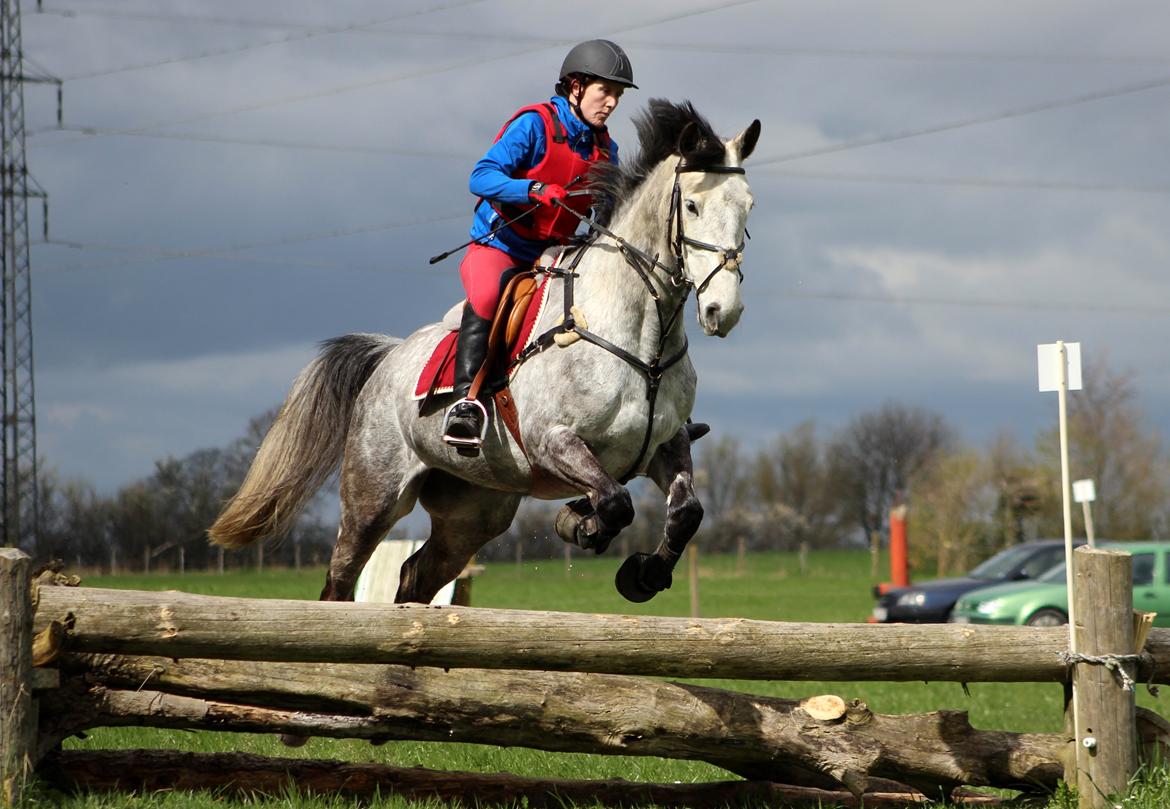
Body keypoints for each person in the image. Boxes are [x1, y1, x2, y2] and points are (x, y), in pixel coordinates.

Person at [442, 39, 636, 453]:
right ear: (576, 86)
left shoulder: (605, 148)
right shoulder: (534, 125)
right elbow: (480, 177)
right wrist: (530, 189)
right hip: (501, 245)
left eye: (618, 95)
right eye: (606, 91)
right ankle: (465, 403)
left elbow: (610, 207)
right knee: (488, 294)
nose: (612, 103)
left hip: (557, 251)